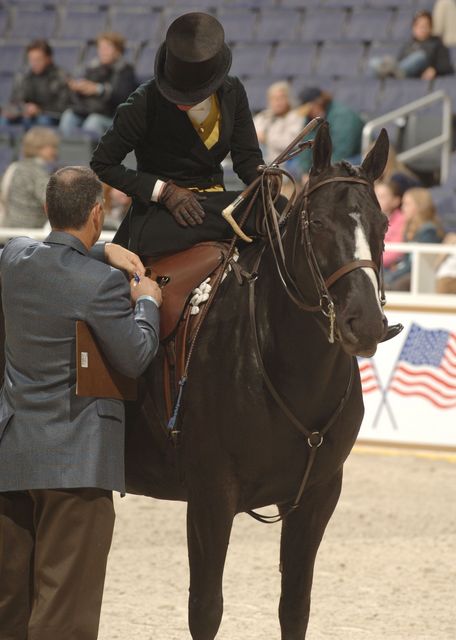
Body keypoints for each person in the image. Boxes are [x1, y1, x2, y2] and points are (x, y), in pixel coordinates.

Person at [0, 166, 161, 640]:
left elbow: (48, 257)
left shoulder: (13, 258)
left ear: (48, 210)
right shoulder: (102, 285)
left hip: (12, 456)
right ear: (98, 212)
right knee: (63, 611)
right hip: (77, 463)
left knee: (11, 605)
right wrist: (147, 302)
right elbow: (135, 356)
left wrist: (96, 248)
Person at [91, 12, 269, 257]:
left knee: (276, 209)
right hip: (162, 211)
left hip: (214, 205)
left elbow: (247, 157)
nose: (183, 102)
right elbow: (102, 163)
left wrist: (263, 179)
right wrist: (164, 192)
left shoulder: (233, 91)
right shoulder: (142, 103)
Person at [60, 32, 138, 138]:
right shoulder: (92, 68)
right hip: (90, 110)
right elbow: (80, 96)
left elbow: (123, 97)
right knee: (68, 116)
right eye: (100, 48)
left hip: (112, 115)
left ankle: (94, 154)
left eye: (107, 48)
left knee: (93, 122)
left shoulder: (126, 70)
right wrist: (78, 89)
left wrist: (98, 90)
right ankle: (69, 152)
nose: (103, 52)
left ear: (118, 50)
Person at [296, 87, 364, 177]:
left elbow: (343, 150)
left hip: (354, 156)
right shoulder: (311, 118)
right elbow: (305, 145)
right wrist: (305, 171)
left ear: (318, 103)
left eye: (310, 109)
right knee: (295, 166)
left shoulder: (342, 115)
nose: (308, 113)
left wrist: (324, 170)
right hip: (327, 160)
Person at [385, 187, 444, 291]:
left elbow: (416, 265)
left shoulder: (429, 231)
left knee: (398, 283)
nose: (403, 208)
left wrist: (391, 276)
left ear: (419, 207)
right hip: (407, 271)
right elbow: (406, 260)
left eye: (407, 204)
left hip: (420, 276)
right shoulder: (410, 229)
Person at [0, 40, 70, 128]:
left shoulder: (61, 76)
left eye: (38, 59)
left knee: (42, 121)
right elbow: (15, 100)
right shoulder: (23, 76)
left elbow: (63, 106)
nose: (34, 63)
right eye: (31, 60)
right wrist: (22, 109)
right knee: (3, 120)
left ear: (48, 58)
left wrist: (39, 110)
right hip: (24, 115)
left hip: (48, 116)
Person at [1, 126, 59, 228]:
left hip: (10, 229)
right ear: (39, 148)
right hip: (29, 233)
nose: (55, 152)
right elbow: (51, 201)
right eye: (52, 147)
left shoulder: (15, 167)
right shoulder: (37, 172)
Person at [368, 10, 454, 80]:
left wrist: (435, 70)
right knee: (373, 62)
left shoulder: (437, 44)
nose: (422, 29)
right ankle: (394, 72)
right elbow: (400, 61)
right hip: (403, 71)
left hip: (417, 72)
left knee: (419, 56)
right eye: (419, 26)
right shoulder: (409, 45)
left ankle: (392, 72)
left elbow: (447, 66)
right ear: (414, 28)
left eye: (425, 26)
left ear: (430, 28)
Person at [253, 81, 302, 164]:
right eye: (274, 98)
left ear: (288, 99)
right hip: (260, 164)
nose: (278, 102)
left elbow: (292, 143)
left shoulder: (296, 117)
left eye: (281, 98)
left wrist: (266, 138)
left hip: (284, 166)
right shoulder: (262, 117)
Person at [375, 180, 406, 271]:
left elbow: (396, 251)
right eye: (374, 195)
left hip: (387, 268)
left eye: (382, 197)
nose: (376, 200)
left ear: (395, 201)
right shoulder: (364, 218)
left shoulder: (402, 220)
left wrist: (370, 260)